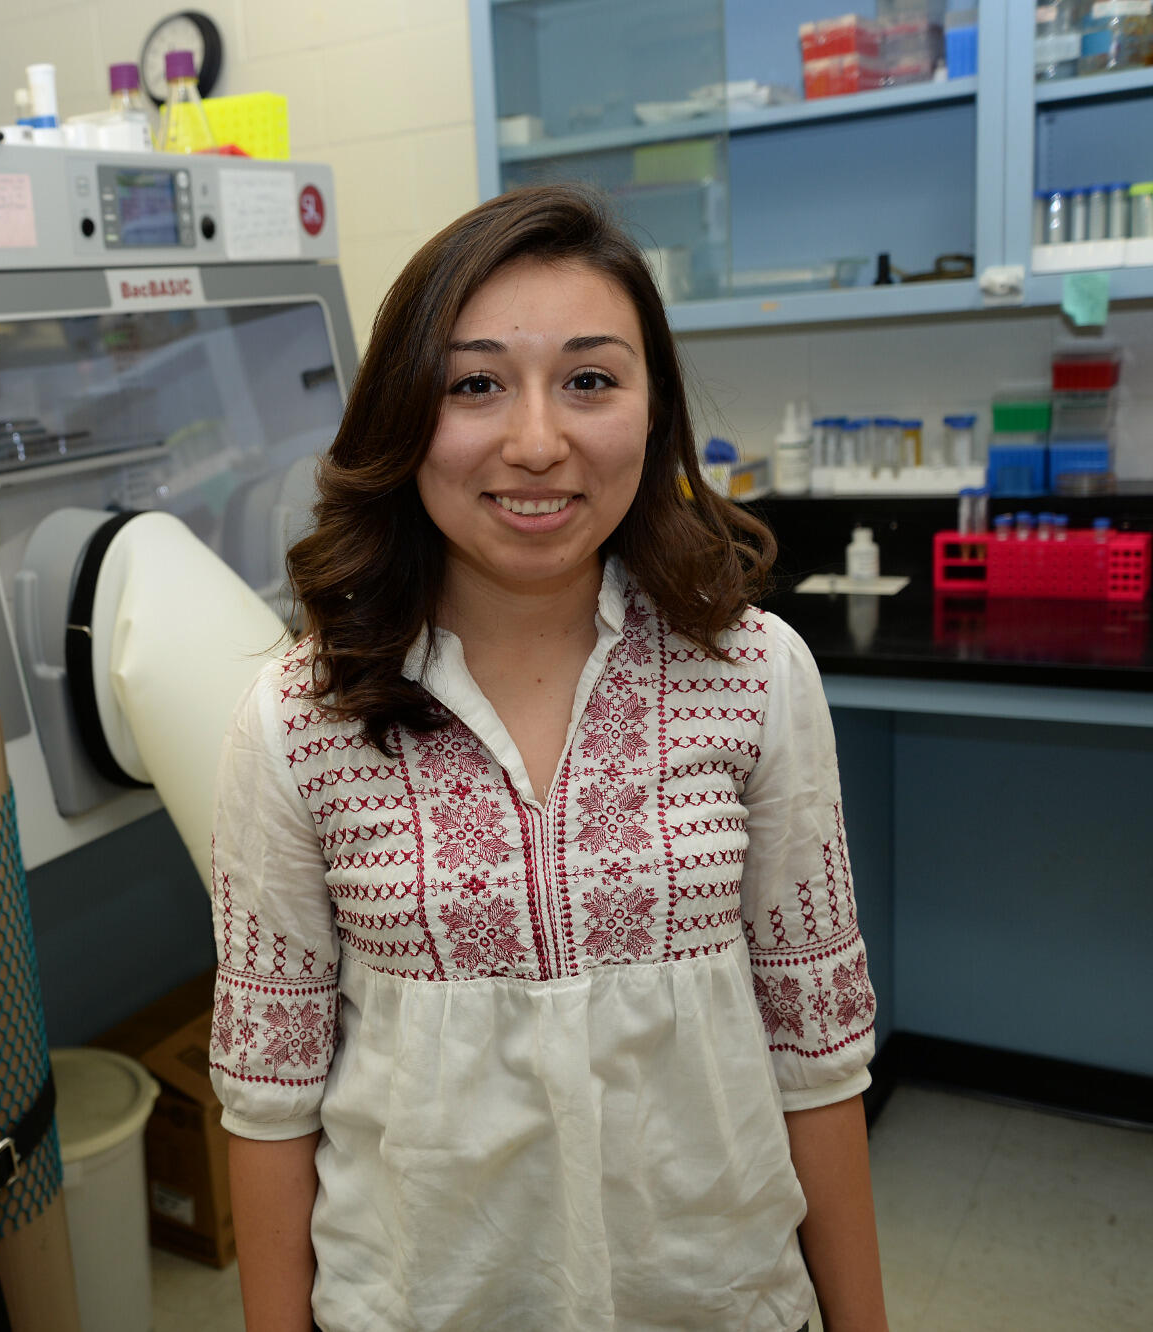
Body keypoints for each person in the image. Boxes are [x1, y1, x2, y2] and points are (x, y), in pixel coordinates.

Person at [207, 184, 885, 1332]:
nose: (536, 442)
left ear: (652, 410)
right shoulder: (296, 717)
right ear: (402, 419)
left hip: (718, 1301)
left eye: (589, 379)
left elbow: (817, 1055)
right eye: (475, 383)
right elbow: (270, 1104)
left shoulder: (757, 674)